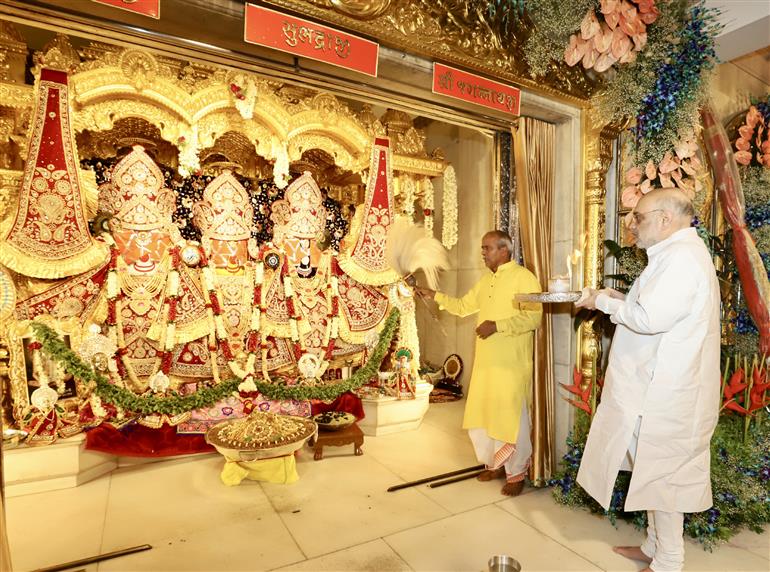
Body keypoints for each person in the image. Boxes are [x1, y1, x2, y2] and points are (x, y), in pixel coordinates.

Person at [575, 188, 720, 572]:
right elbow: (652, 309)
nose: (632, 224)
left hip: (669, 393)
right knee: (651, 471)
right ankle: (655, 546)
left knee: (664, 477)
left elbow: (650, 320)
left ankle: (669, 562)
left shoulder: (684, 259)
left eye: (638, 217)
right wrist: (615, 295)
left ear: (665, 219)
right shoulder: (673, 255)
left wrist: (601, 303)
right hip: (652, 387)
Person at [417, 230, 542, 496]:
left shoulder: (524, 278)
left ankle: (516, 473)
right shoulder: (487, 281)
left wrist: (497, 325)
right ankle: (496, 463)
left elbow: (533, 319)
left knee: (511, 418)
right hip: (486, 362)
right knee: (485, 414)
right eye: (483, 248)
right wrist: (434, 295)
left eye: (487, 248)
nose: (483, 253)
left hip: (511, 364)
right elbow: (463, 306)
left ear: (504, 250)